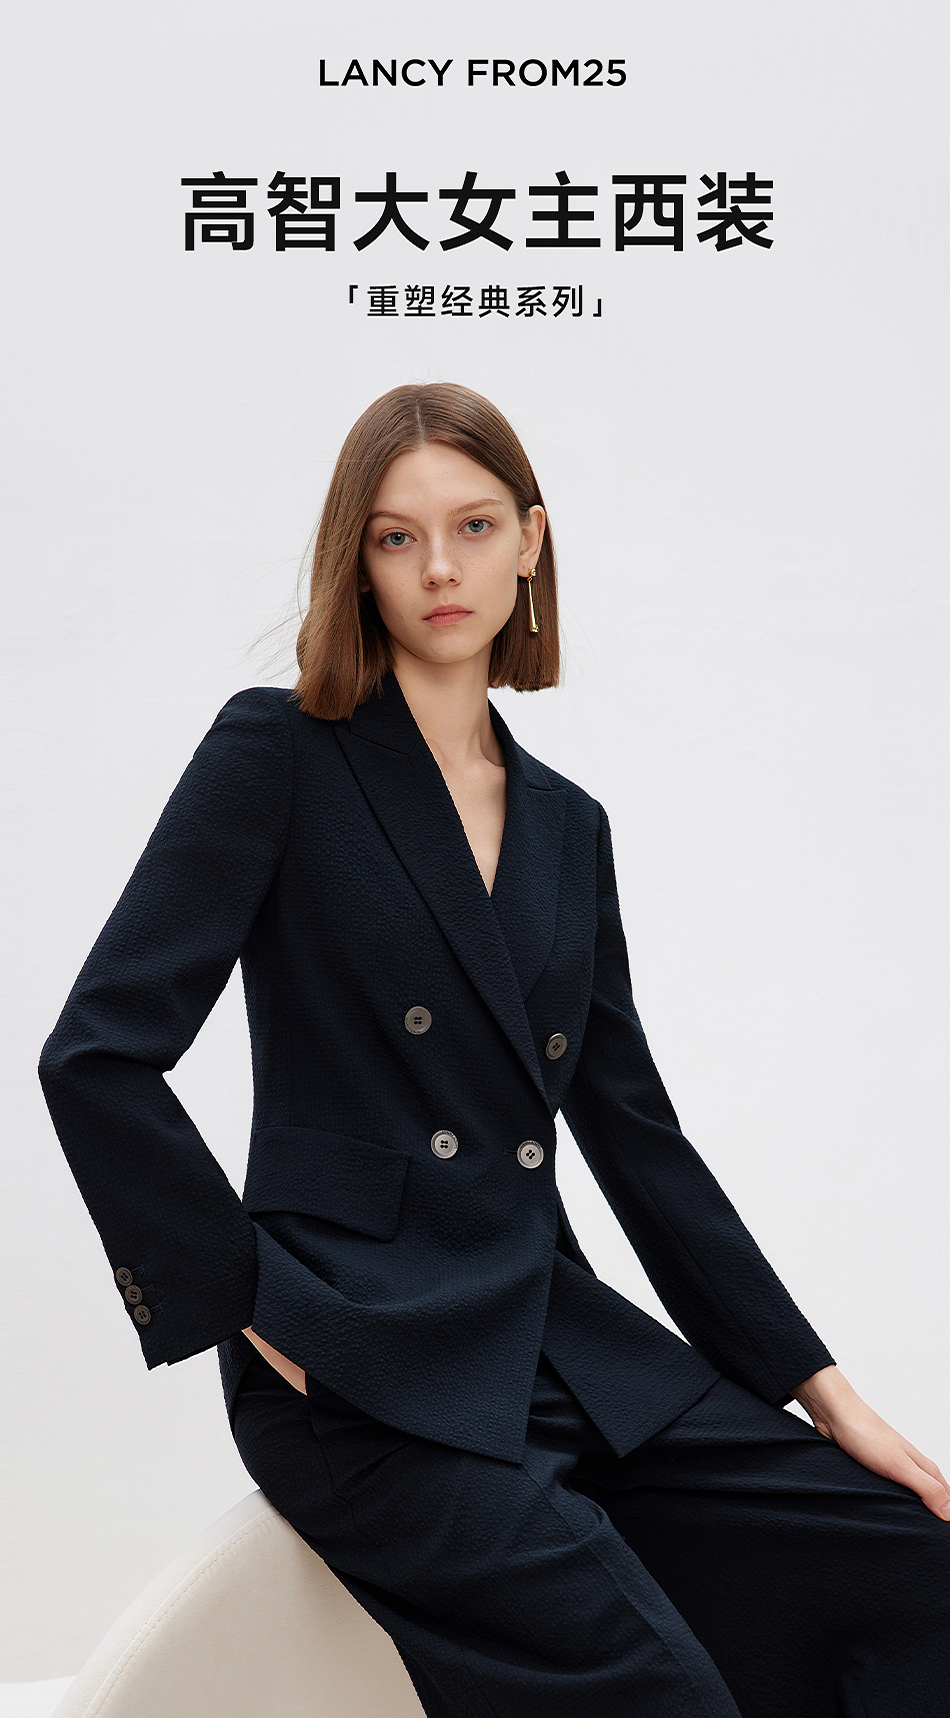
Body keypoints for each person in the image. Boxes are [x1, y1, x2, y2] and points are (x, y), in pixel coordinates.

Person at [39, 383, 949, 1717]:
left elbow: (635, 1134)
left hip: (551, 1328)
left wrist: (821, 1391)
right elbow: (97, 1053)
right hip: (353, 1347)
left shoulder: (567, 826)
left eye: (472, 526)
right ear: (356, 560)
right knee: (660, 1692)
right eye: (396, 537)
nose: (439, 569)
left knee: (916, 1568)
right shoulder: (278, 751)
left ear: (530, 539)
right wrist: (255, 1303)